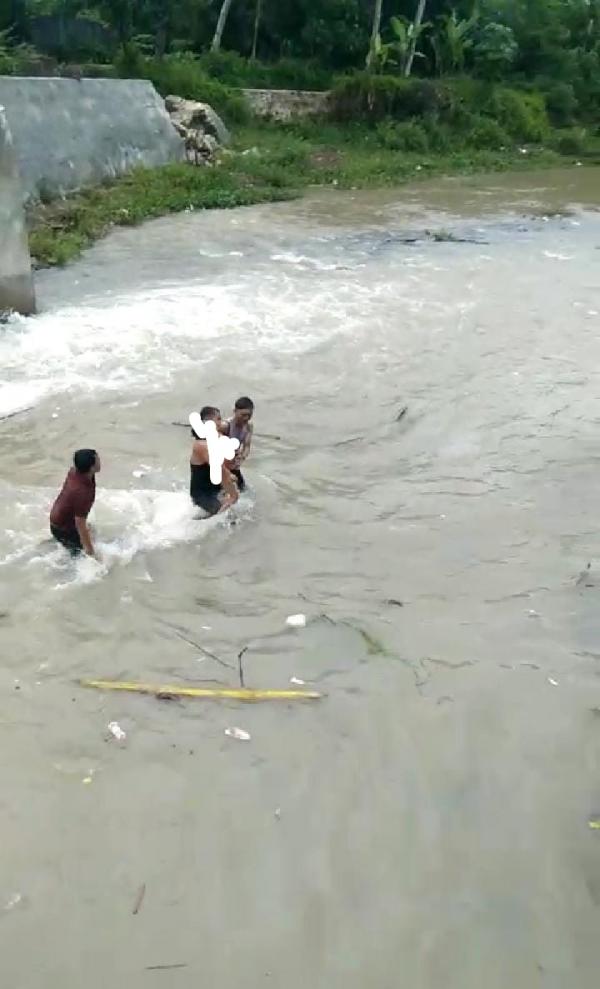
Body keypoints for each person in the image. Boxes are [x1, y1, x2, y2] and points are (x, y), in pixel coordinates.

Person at [50, 449, 100, 557]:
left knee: (91, 533)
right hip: (63, 528)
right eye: (98, 460)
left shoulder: (76, 471)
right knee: (80, 557)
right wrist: (90, 551)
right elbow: (80, 523)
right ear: (91, 468)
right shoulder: (82, 492)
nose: (100, 461)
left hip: (60, 518)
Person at [190, 406, 239, 516]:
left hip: (216, 488)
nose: (221, 423)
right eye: (218, 419)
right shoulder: (201, 445)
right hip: (203, 494)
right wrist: (233, 494)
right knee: (228, 518)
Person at [222, 396, 254, 492]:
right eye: (243, 415)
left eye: (249, 415)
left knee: (243, 490)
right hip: (221, 464)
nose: (246, 418)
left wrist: (242, 457)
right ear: (235, 411)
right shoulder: (225, 426)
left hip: (233, 463)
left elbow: (247, 446)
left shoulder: (249, 426)